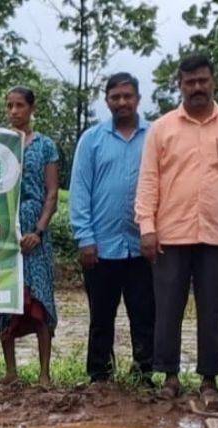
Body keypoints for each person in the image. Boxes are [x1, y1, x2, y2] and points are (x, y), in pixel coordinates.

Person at [135, 54, 218, 405]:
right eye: (190, 82)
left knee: (212, 309)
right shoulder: (162, 129)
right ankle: (170, 376)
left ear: (213, 82)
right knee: (168, 307)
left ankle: (209, 379)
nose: (197, 88)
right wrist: (146, 226)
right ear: (179, 85)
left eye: (202, 81)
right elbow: (148, 181)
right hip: (171, 234)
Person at [69, 72, 156, 386]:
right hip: (101, 246)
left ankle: (144, 372)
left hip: (142, 244)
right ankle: (99, 374)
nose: (122, 102)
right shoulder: (91, 140)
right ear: (107, 101)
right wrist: (85, 237)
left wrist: (154, 232)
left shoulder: (155, 136)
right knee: (101, 315)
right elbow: (80, 190)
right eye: (115, 97)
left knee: (144, 312)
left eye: (127, 96)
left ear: (138, 99)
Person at [0, 86, 60, 386]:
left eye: (20, 105)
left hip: (35, 230)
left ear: (32, 109)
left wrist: (39, 230)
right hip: (4, 229)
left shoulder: (45, 145)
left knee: (39, 299)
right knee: (6, 297)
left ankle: (44, 372)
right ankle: (10, 371)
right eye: (9, 105)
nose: (14, 111)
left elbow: (51, 193)